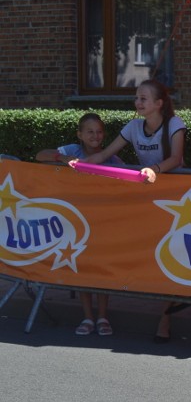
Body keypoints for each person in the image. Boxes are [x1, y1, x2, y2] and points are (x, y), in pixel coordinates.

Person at [84, 79, 187, 342]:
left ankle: (165, 320)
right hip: (147, 199)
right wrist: (79, 165)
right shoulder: (133, 127)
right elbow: (105, 153)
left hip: (176, 198)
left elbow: (176, 158)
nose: (137, 102)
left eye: (143, 98)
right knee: (152, 256)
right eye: (137, 98)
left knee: (172, 258)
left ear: (158, 104)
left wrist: (155, 170)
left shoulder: (175, 124)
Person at [36, 112, 124, 336]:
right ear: (80, 135)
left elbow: (126, 178)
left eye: (99, 131)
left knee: (101, 270)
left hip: (102, 222)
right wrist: (61, 159)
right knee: (82, 268)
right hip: (75, 221)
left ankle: (103, 316)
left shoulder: (110, 157)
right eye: (90, 132)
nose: (95, 136)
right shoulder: (72, 151)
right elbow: (39, 155)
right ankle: (87, 317)